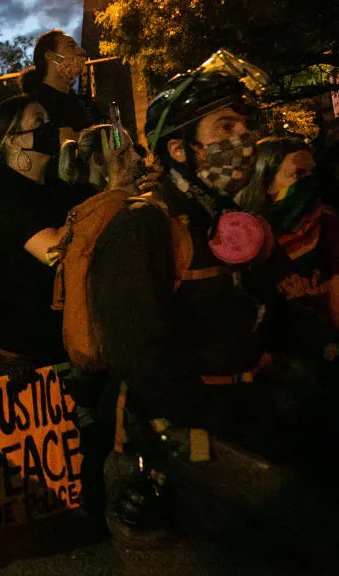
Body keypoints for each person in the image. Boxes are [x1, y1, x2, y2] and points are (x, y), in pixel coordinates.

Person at [90, 51, 335, 558]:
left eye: (244, 125)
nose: (242, 139)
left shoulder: (229, 221)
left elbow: (274, 310)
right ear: (179, 149)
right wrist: (229, 420)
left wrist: (324, 350)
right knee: (304, 530)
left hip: (256, 404)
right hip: (192, 432)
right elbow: (142, 359)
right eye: (224, 126)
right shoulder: (144, 229)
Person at [0, 94, 74, 367]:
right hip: (18, 353)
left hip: (52, 339)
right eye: (39, 122)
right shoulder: (3, 191)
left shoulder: (56, 189)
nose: (49, 128)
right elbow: (53, 251)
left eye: (49, 121)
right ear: (12, 139)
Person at [239, 138, 339, 370]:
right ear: (265, 181)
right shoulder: (247, 238)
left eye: (312, 174)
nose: (310, 183)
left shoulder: (327, 223)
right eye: (298, 174)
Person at [20, 29, 102, 145]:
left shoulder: (84, 103)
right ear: (50, 55)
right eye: (71, 46)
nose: (82, 51)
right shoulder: (32, 106)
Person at [58, 124, 146, 201]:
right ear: (98, 158)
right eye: (122, 153)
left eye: (132, 149)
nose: (137, 157)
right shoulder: (81, 201)